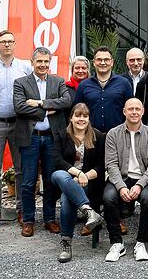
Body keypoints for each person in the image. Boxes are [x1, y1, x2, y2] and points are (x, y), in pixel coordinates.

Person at [13, 47, 72, 237]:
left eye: (46, 62)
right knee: (29, 181)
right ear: (32, 63)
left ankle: (49, 219)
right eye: (39, 61)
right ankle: (28, 220)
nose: (43, 65)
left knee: (50, 180)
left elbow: (66, 101)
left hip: (51, 138)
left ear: (50, 63)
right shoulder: (21, 82)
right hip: (30, 138)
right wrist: (48, 109)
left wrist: (40, 103)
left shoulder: (58, 81)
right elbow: (20, 107)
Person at [0, 30, 32, 230]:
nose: (7, 45)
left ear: (15, 44)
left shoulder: (25, 67)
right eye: (3, 41)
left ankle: (21, 209)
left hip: (19, 122)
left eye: (11, 41)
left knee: (21, 168)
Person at [103, 98, 148, 262]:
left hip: (143, 179)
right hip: (119, 178)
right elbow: (111, 164)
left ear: (143, 111)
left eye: (137, 109)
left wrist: (139, 185)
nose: (134, 112)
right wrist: (121, 187)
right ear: (124, 111)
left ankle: (141, 242)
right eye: (130, 109)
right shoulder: (113, 134)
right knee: (108, 198)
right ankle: (116, 243)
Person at [50, 103, 105, 262]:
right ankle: (89, 212)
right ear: (71, 118)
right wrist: (78, 173)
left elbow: (101, 166)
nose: (81, 119)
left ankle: (66, 243)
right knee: (60, 174)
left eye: (85, 116)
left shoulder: (98, 136)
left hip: (88, 183)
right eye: (78, 115)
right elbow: (57, 161)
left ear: (88, 118)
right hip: (62, 179)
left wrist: (84, 177)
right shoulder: (61, 135)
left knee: (68, 198)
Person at [75, 46, 134, 133]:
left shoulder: (124, 83)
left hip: (118, 136)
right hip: (90, 136)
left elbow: (131, 109)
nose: (103, 63)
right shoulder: (83, 85)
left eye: (106, 59)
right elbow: (77, 111)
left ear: (112, 62)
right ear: (94, 62)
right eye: (99, 59)